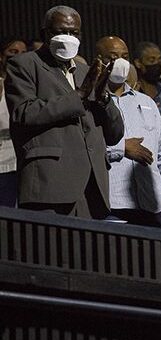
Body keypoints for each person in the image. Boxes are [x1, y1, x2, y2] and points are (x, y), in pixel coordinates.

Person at [5, 5, 124, 219]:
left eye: (74, 32)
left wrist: (104, 99)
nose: (68, 37)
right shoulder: (24, 64)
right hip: (50, 184)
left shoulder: (88, 72)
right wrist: (78, 96)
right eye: (61, 31)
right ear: (45, 34)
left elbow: (115, 133)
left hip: (92, 188)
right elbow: (24, 113)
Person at [96, 36, 161, 228]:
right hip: (112, 202)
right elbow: (82, 147)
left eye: (124, 56)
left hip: (152, 204)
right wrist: (120, 148)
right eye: (113, 57)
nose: (119, 62)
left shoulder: (146, 102)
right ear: (99, 60)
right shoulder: (91, 103)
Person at [0, 36, 27, 207]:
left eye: (23, 53)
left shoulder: (27, 86)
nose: (18, 56)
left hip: (18, 163)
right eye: (13, 52)